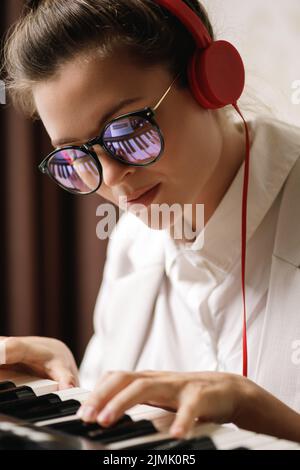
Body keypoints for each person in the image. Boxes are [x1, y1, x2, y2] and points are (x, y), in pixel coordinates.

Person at [1, 0, 300, 442]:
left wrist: (252, 407)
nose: (112, 177)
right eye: (77, 157)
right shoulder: (132, 241)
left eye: (127, 131)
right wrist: (66, 386)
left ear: (210, 81)